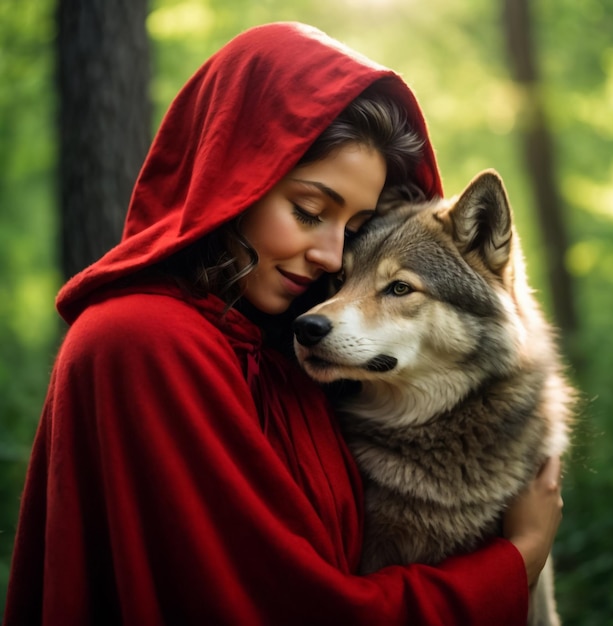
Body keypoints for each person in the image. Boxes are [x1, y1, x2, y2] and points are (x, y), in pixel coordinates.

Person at [3, 22, 563, 626]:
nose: (330, 256)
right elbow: (293, 609)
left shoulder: (284, 350)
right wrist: (520, 558)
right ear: (234, 179)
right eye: (308, 211)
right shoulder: (142, 343)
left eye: (352, 229)